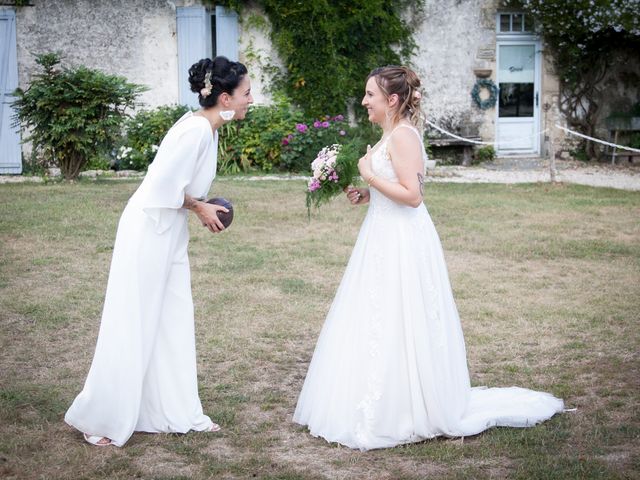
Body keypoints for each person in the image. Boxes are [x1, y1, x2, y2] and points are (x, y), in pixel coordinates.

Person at [293, 65, 564, 450]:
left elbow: (414, 196)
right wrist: (368, 193)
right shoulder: (390, 134)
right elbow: (399, 187)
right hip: (382, 234)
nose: (364, 101)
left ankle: (408, 406)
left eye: (370, 95)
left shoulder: (404, 135)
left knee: (402, 313)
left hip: (403, 240)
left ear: (391, 100)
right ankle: (386, 396)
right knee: (378, 315)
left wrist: (370, 176)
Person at [65, 56, 253, 447]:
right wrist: (200, 207)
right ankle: (99, 417)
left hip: (169, 233)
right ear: (225, 98)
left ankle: (169, 410)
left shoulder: (209, 128)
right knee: (133, 320)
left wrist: (199, 205)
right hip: (148, 229)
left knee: (172, 319)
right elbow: (159, 189)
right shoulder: (196, 131)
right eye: (247, 93)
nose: (252, 99)